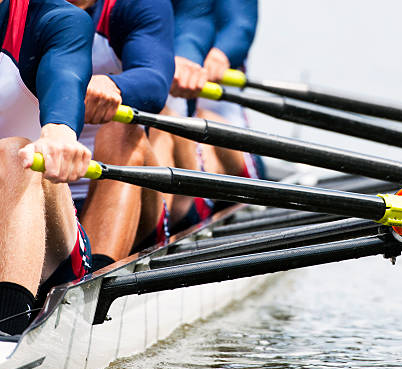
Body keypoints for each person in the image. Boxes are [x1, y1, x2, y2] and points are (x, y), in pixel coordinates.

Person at [0, 0, 94, 335]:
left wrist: (58, 133)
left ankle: (8, 323)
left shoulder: (56, 20)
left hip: (49, 242)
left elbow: (64, 79)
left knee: (16, 152)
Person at [66, 0, 175, 271]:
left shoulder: (133, 6)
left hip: (117, 190)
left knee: (122, 128)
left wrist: (113, 84)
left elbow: (155, 80)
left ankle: (95, 280)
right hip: (41, 188)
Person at [151, 0, 260, 233]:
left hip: (226, 137)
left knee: (201, 120)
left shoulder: (195, 12)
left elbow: (240, 26)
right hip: (172, 133)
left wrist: (220, 56)